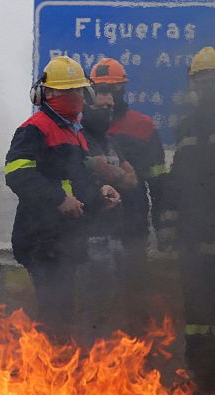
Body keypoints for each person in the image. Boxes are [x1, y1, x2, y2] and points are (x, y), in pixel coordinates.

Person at [4, 55, 120, 340]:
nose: (76, 98)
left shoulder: (73, 132)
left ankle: (57, 367)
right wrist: (58, 199)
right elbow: (17, 173)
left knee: (64, 312)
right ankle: (47, 371)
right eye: (68, 92)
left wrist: (98, 196)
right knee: (54, 313)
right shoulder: (35, 128)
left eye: (79, 91)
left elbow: (76, 184)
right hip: (41, 239)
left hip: (65, 239)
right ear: (48, 94)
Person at [89, 57, 167, 329]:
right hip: (93, 228)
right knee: (95, 302)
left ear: (124, 89)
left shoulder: (143, 126)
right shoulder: (81, 127)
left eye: (113, 89)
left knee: (135, 297)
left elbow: (158, 183)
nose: (107, 96)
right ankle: (96, 360)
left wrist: (163, 226)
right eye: (100, 90)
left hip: (132, 226)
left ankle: (137, 357)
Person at [162, 46, 215, 394]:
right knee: (196, 314)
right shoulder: (187, 126)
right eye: (201, 79)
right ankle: (202, 376)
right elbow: (178, 178)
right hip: (194, 238)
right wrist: (168, 222)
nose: (206, 85)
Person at [76, 79, 137, 344]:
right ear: (88, 107)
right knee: (91, 309)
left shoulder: (111, 142)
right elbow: (108, 171)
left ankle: (107, 366)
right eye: (102, 107)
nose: (108, 112)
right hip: (90, 238)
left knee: (114, 308)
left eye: (111, 107)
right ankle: (86, 365)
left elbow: (132, 178)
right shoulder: (79, 139)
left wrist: (112, 172)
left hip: (116, 235)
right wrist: (111, 172)